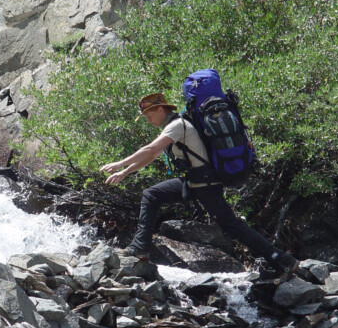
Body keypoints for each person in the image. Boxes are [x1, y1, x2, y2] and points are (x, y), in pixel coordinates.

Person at [100, 91, 299, 273]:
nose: (148, 119)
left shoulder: (177, 126)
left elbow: (151, 150)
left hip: (205, 185)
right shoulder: (172, 127)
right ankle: (140, 248)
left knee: (232, 226)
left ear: (161, 109)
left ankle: (282, 259)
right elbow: (152, 155)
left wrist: (120, 163)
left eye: (149, 114)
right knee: (151, 195)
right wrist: (125, 172)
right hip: (194, 183)